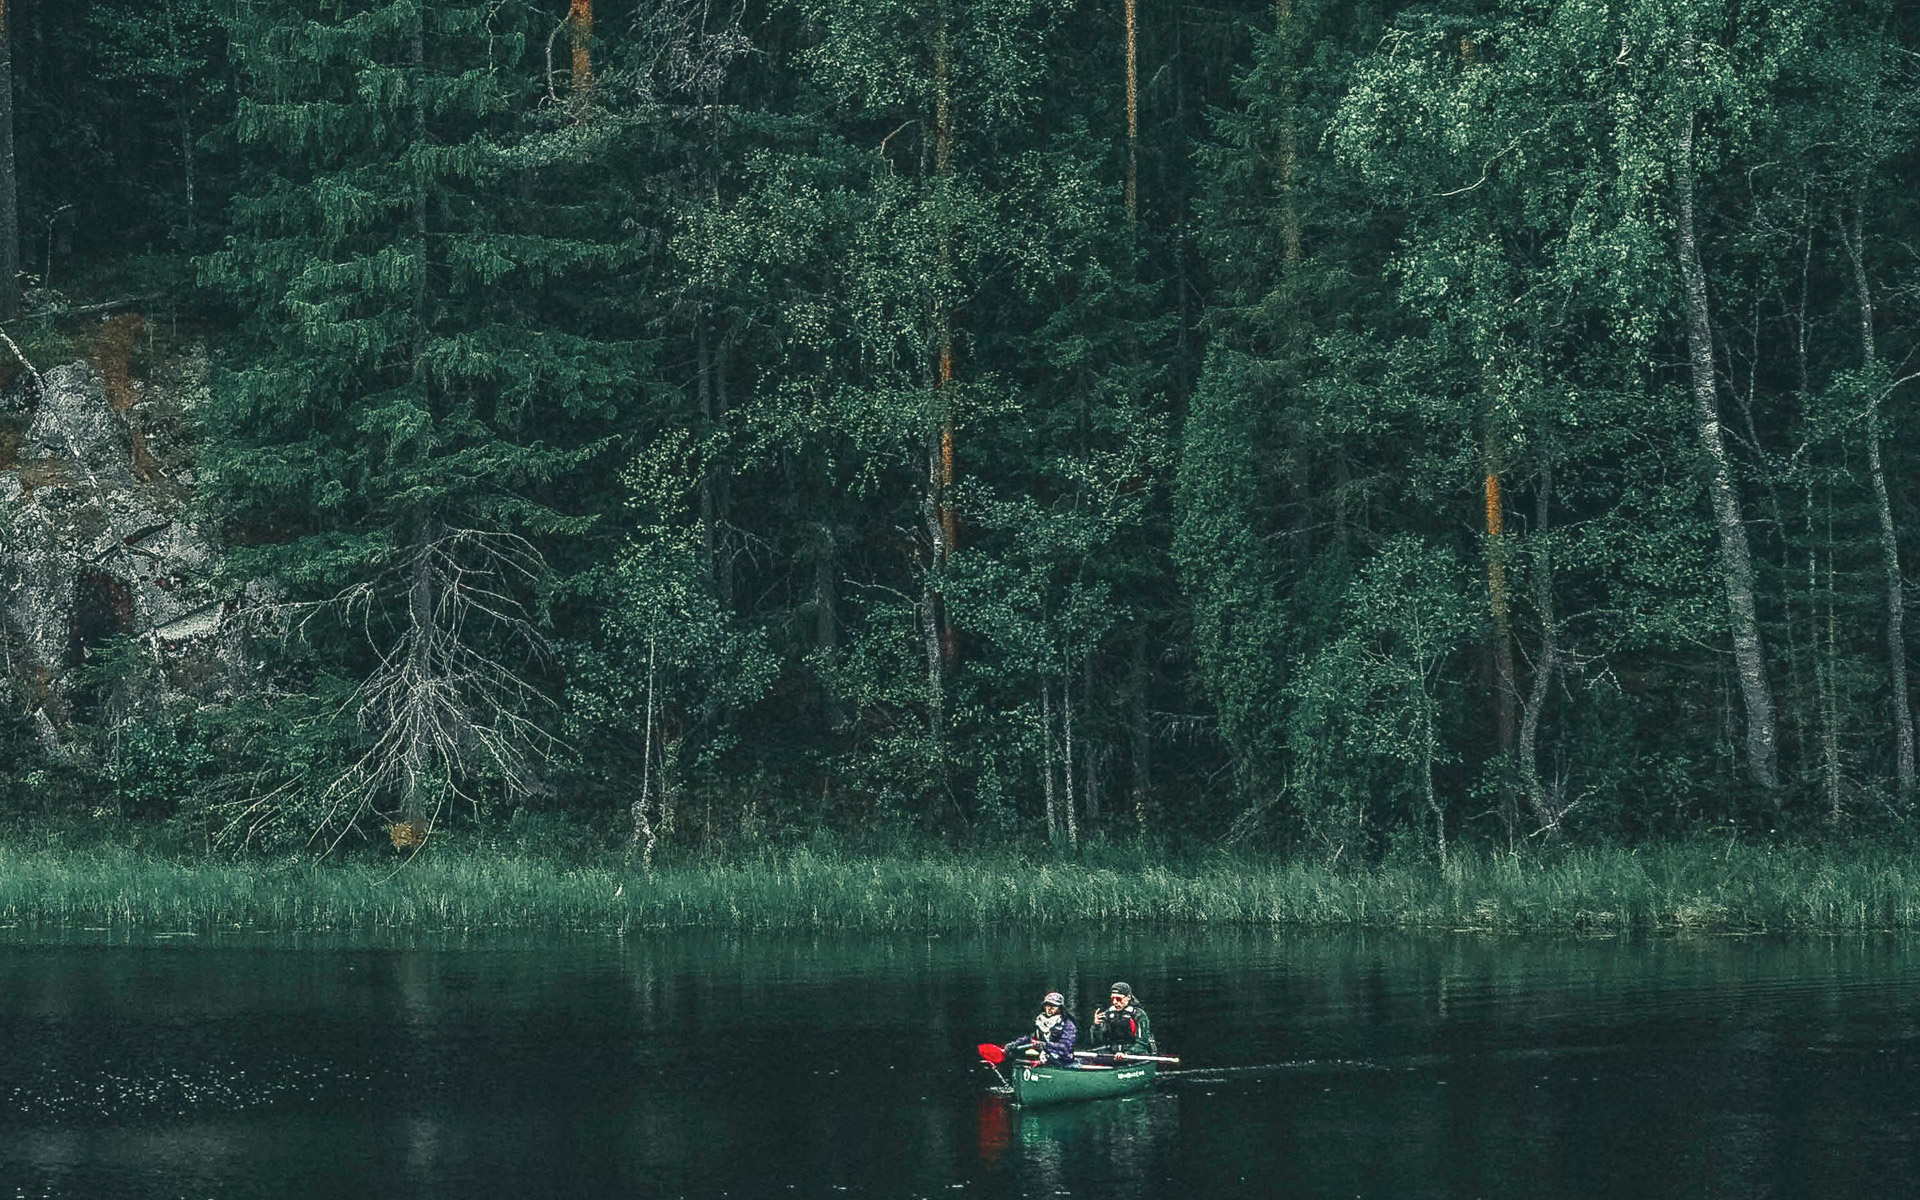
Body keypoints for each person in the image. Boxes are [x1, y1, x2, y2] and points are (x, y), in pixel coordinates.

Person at [1004, 991, 1077, 1066]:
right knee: (1013, 1054)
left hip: (1062, 1061)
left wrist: (1045, 1045)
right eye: (1048, 1005)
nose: (1050, 1009)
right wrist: (1015, 1044)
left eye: (1054, 1006)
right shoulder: (1039, 1021)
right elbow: (1030, 1039)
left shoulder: (1067, 1023)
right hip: (1042, 1058)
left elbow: (1065, 1047)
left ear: (1060, 1008)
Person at [1086, 981, 1155, 1056]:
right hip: (1113, 1052)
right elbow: (1098, 1041)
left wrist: (1127, 1054)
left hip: (1134, 1053)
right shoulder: (1108, 1014)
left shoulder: (1138, 1015)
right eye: (1112, 999)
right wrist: (1096, 1026)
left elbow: (1142, 1043)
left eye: (1118, 999)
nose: (1115, 1002)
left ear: (1128, 997)